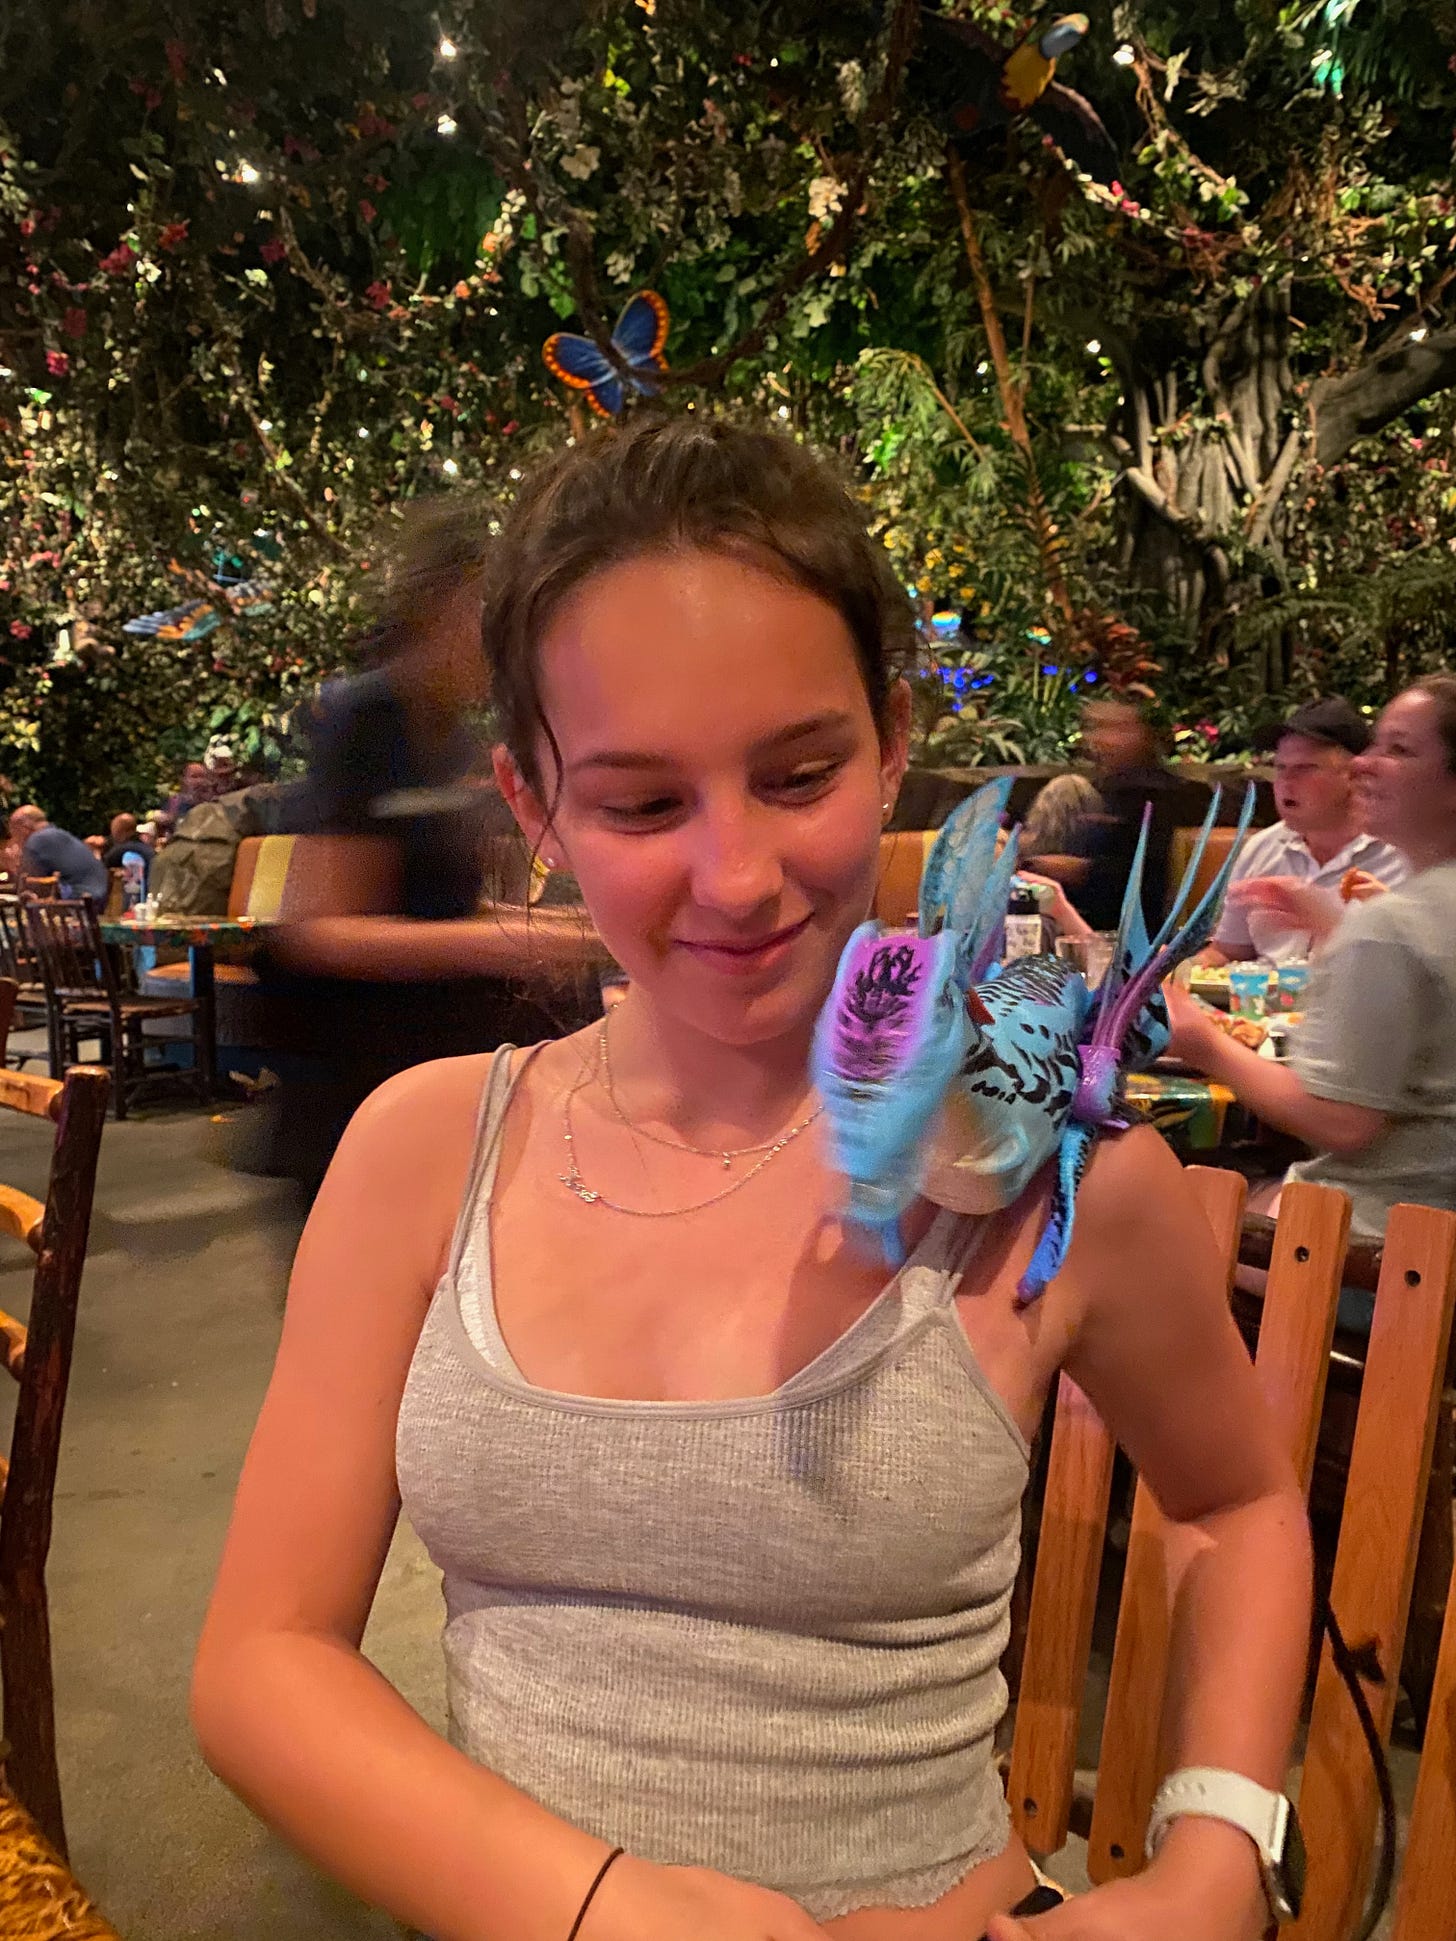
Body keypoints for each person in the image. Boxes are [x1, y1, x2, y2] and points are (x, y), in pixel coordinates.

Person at [195, 419, 1309, 1941]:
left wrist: (1218, 1856)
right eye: (642, 804)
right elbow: (262, 1657)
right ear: (532, 804)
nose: (735, 876)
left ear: (892, 740)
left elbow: (1237, 1502)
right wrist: (607, 1909)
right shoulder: (423, 1147)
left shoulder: (1046, 1170)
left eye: (798, 774)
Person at [257, 492, 605, 1201]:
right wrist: (514, 941)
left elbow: (437, 903)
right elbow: (321, 931)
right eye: (486, 611)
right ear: (437, 608)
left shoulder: (450, 735)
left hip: (437, 1067)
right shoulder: (365, 720)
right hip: (356, 1086)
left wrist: (548, 926)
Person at [1167, 675, 1456, 1254]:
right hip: (1429, 1220)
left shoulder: (1394, 923)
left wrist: (1201, 1041)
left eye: (1399, 750)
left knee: (1135, 1222)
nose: (1364, 764)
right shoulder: (1423, 908)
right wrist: (1337, 928)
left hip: (1378, 1247)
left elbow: (1341, 1122)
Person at [1196, 697, 1406, 968]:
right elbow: (1227, 951)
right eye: (1280, 768)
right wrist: (1180, 974)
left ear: (1355, 774)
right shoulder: (1262, 848)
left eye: (1304, 769)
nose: (1285, 782)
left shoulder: (1406, 855)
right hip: (1263, 994)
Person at [1030, 697, 1178, 934]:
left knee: (1065, 788)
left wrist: (1081, 870)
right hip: (1069, 912)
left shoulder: (1161, 794)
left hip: (1125, 925)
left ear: (1144, 735)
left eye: (1116, 729)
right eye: (1096, 728)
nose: (1101, 739)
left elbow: (1144, 875)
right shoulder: (1107, 787)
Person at [8, 804, 109, 901]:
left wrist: (13, 864)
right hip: (100, 897)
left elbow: (26, 885)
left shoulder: (38, 840)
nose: (14, 839)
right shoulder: (59, 834)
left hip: (79, 901)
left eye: (14, 834)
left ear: (23, 828)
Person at [102, 811, 155, 879]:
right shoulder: (146, 848)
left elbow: (101, 868)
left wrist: (96, 852)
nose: (113, 835)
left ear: (120, 830)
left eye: (114, 830)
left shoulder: (120, 850)